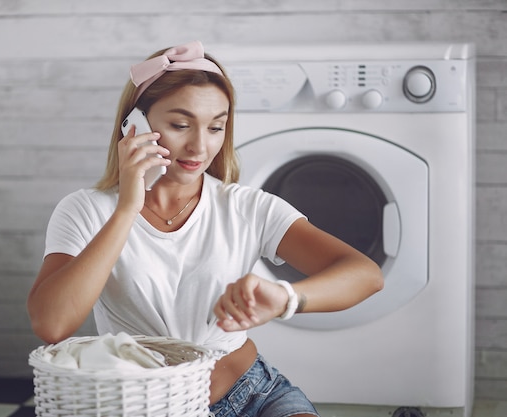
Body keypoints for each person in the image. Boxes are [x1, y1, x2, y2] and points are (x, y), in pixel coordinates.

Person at [27, 40, 383, 417]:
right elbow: (52, 324)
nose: (200, 146)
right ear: (135, 126)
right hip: (145, 406)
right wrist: (127, 208)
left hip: (254, 394)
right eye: (181, 125)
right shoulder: (85, 210)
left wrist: (284, 298)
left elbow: (366, 275)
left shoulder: (246, 207)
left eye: (216, 127)